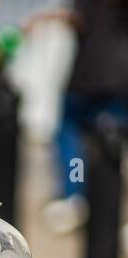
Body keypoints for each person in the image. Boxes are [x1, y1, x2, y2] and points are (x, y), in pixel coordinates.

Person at [39, 1, 128, 235]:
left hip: (93, 78)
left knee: (74, 136)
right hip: (110, 78)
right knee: (106, 144)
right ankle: (79, 199)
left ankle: (75, 196)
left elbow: (79, 19)